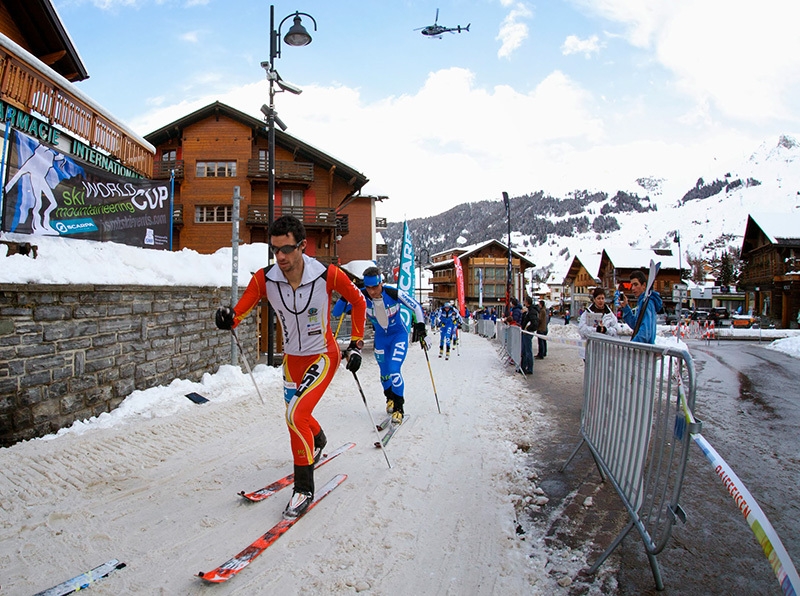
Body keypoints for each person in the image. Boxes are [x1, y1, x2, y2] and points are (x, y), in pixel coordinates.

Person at [214, 215, 366, 519]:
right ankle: (318, 439)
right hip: (291, 361)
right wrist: (227, 318)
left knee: (295, 414)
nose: (280, 257)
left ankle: (304, 487)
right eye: (275, 250)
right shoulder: (265, 279)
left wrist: (356, 344)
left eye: (286, 249)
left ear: (303, 247)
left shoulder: (327, 274)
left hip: (323, 355)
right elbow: (239, 312)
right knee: (298, 416)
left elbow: (359, 301)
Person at [335, 266, 426, 424]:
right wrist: (346, 294)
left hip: (398, 335)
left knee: (394, 370)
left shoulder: (392, 292)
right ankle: (389, 399)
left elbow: (416, 306)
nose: (371, 291)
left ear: (381, 283)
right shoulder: (361, 295)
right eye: (368, 287)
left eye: (375, 287)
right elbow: (337, 312)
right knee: (384, 373)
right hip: (381, 339)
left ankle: (399, 408)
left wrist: (421, 327)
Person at [619, 270, 663, 344]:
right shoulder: (642, 301)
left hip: (644, 351)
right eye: (632, 285)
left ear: (644, 285)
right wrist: (626, 307)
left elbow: (645, 333)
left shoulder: (647, 302)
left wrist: (632, 345)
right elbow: (636, 325)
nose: (632, 288)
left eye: (636, 284)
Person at [520, 297, 539, 374]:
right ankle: (523, 366)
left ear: (527, 302)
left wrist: (528, 329)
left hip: (527, 333)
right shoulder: (528, 311)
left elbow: (534, 322)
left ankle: (529, 368)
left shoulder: (532, 311)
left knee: (528, 351)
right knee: (524, 350)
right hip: (525, 332)